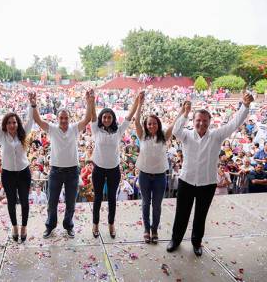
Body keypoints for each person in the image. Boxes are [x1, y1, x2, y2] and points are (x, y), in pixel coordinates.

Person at [167, 90, 254, 257]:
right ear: (193, 121)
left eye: (205, 121)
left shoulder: (216, 136)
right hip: (186, 181)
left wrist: (245, 105)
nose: (201, 124)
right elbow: (176, 130)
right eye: (198, 120)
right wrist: (185, 113)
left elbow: (234, 123)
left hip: (207, 183)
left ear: (209, 122)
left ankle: (196, 242)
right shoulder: (185, 135)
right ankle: (175, 240)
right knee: (181, 214)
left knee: (201, 215)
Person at [31, 90, 93, 239]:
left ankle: (68, 225)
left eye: (66, 118)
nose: (64, 121)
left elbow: (87, 118)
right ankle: (50, 226)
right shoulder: (52, 129)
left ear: (69, 119)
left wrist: (89, 102)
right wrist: (33, 104)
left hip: (72, 171)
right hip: (56, 172)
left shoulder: (74, 128)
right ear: (58, 118)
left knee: (71, 202)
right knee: (52, 202)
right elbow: (38, 120)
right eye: (61, 118)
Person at [90, 91, 139, 238]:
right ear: (101, 118)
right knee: (98, 198)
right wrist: (91, 100)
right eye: (104, 117)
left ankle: (111, 224)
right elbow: (92, 115)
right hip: (98, 169)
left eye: (109, 117)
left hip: (113, 170)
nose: (106, 119)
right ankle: (95, 224)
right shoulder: (96, 130)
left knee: (112, 198)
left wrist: (137, 101)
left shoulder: (119, 131)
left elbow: (130, 116)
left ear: (113, 119)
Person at [0, 87, 34, 242]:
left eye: (14, 122)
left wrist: (31, 104)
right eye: (9, 122)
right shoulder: (2, 136)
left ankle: (24, 226)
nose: (12, 125)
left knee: (24, 200)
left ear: (17, 123)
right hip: (8, 173)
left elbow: (31, 120)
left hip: (23, 172)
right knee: (11, 201)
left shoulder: (23, 134)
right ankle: (14, 226)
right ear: (5, 124)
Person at [134, 91, 176, 244]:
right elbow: (136, 121)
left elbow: (174, 124)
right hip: (144, 175)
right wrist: (140, 103)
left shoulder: (164, 137)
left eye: (154, 123)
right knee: (145, 203)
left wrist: (183, 112)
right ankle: (146, 229)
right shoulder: (142, 136)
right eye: (149, 123)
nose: (152, 125)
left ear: (158, 124)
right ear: (146, 125)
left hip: (159, 177)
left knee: (157, 205)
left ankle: (154, 229)